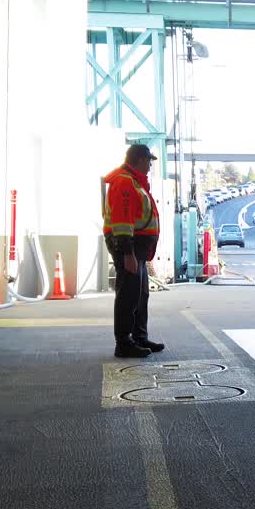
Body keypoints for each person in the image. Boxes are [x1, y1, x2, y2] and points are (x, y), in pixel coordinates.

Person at [103, 144, 166, 358]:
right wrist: (127, 253)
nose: (150, 165)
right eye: (149, 160)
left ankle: (139, 337)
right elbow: (122, 221)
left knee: (140, 294)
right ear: (139, 159)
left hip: (137, 248)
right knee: (128, 294)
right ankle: (124, 342)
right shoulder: (124, 182)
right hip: (128, 247)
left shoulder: (135, 182)